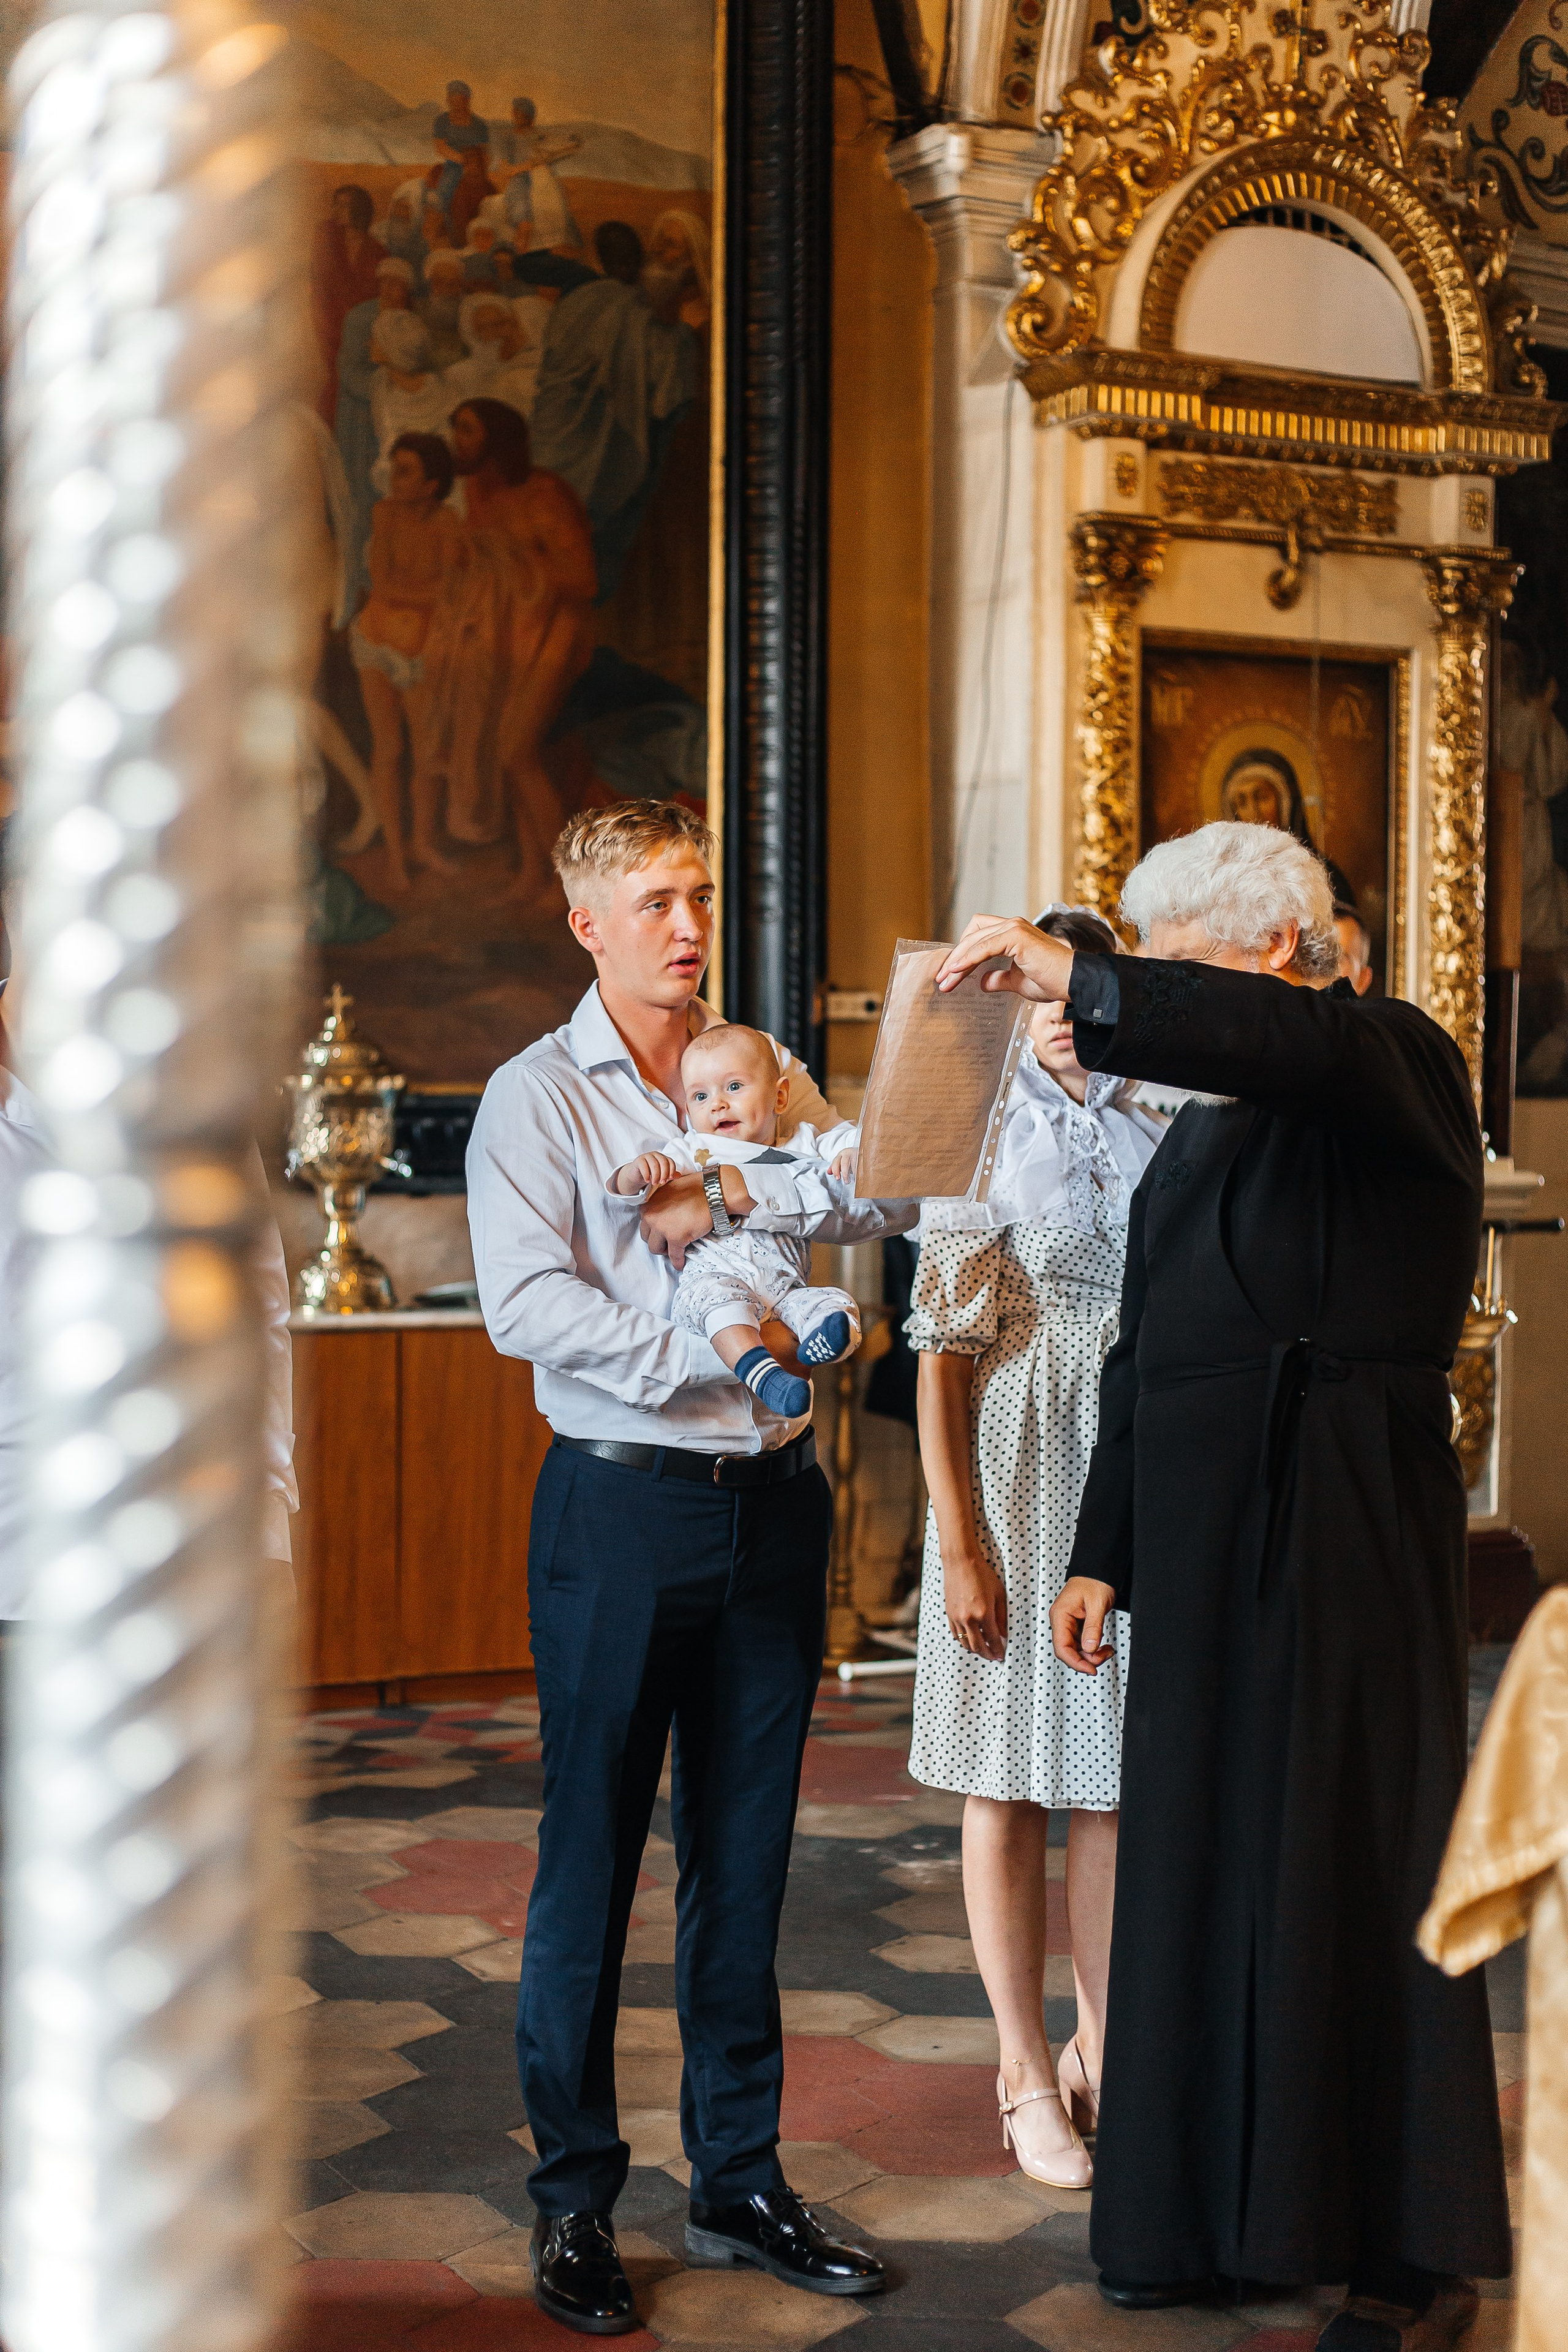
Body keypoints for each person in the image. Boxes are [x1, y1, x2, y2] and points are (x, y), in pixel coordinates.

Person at [933, 821, 1510, 2350]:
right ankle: (1204, 2213)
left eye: (1168, 964)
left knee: (1344, 1858)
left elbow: (1282, 1038)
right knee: (1198, 1870)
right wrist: (1099, 1544)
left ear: (1265, 953)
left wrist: (1084, 970)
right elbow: (1144, 1349)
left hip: (1336, 1516)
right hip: (1187, 1545)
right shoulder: (1191, 1145)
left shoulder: (1387, 1055)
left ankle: (1403, 2249)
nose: (1136, 1006)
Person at [467, 798, 908, 2336]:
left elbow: (874, 1194)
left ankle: (738, 2174)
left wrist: (759, 1179)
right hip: (618, 1510)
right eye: (653, 899)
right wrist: (728, 1355)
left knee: (746, 1859)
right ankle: (576, 2197)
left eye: (699, 894)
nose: (686, 923)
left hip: (772, 1513)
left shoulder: (759, 1070)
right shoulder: (536, 1099)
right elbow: (529, 1309)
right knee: (585, 1860)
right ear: (585, 921)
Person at [907, 905, 1164, 2193]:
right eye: (1040, 993)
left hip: (1129, 1473)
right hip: (1014, 1464)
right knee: (1004, 1777)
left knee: (1109, 1779)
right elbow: (940, 1365)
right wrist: (959, 1546)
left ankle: (1106, 2048)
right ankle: (1018, 2066)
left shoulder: (1157, 1119)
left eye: (1082, 990)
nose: (1062, 1016)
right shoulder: (983, 1128)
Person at [607, 1023, 863, 1419]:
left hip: (785, 1287)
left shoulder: (803, 1141)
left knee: (834, 1302)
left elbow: (865, 1150)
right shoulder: (696, 1150)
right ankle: (765, 1376)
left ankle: (828, 1340)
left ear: (780, 1095)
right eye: (701, 1096)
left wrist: (852, 1151)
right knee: (721, 1308)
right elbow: (634, 1199)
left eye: (734, 1087)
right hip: (714, 1279)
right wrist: (637, 1172)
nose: (718, 1105)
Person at [420, 398, 596, 888]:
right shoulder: (478, 492)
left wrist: (512, 575)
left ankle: (571, 888)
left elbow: (582, 579)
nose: (458, 442)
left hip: (558, 631)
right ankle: (531, 876)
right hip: (511, 633)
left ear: (497, 439)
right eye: (456, 431)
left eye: (469, 432)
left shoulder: (543, 496)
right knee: (508, 753)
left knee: (516, 749)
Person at [529, 213, 709, 600]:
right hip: (636, 438)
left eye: (673, 245)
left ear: (697, 257)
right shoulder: (635, 307)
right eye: (658, 243)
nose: (661, 253)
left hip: (685, 451)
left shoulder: (701, 317)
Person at [350, 432, 465, 888]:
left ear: (432, 483)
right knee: (387, 750)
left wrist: (411, 593)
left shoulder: (447, 522)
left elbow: (450, 593)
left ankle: (424, 844)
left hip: (419, 650)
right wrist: (416, 594)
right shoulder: (384, 514)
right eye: (394, 467)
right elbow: (381, 581)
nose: (394, 479)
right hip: (375, 642)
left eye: (406, 470)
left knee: (426, 754)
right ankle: (397, 855)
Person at [334, 257, 417, 614]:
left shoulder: (413, 322)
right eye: (385, 285)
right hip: (360, 421)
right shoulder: (361, 318)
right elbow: (349, 370)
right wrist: (386, 388)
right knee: (359, 502)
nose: (390, 292)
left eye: (397, 286)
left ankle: (386, 592)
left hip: (396, 420)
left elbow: (418, 365)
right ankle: (353, 594)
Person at [311, 184, 382, 424]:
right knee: (335, 377)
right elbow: (320, 283)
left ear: (359, 210)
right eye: (336, 204)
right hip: (330, 323)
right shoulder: (328, 238)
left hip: (361, 331)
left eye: (345, 206)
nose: (338, 210)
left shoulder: (377, 251)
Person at [496, 96, 583, 248]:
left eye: (521, 113)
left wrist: (570, 145)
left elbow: (556, 150)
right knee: (524, 218)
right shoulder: (508, 137)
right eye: (515, 112)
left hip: (543, 179)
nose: (516, 116)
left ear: (529, 116)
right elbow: (505, 170)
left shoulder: (541, 136)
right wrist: (527, 166)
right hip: (520, 182)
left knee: (561, 210)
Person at [443, 293, 542, 417]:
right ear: (471, 332)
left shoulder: (528, 363)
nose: (492, 332)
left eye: (498, 324)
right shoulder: (459, 374)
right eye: (483, 327)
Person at [431, 80, 491, 232]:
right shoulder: (442, 121)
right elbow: (440, 147)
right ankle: (447, 223)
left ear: (467, 100)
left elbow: (485, 151)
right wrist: (461, 159)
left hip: (476, 166)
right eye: (452, 100)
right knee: (445, 190)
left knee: (490, 194)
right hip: (455, 164)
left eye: (460, 100)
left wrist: (482, 166)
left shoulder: (479, 125)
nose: (456, 104)